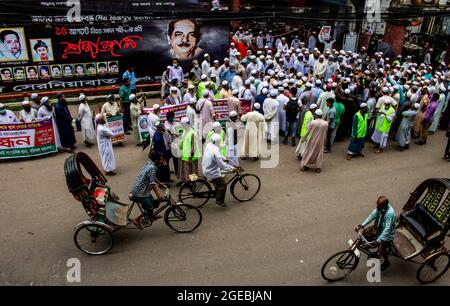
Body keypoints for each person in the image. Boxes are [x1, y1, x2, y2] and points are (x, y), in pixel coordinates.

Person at [355, 196, 397, 271]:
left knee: (381, 249)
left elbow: (387, 229)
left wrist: (378, 240)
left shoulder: (390, 214)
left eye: (379, 206)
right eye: (377, 204)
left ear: (384, 205)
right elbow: (372, 215)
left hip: (387, 234)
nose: (377, 207)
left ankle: (386, 262)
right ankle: (369, 245)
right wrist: (362, 225)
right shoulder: (380, 208)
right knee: (366, 231)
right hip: (379, 227)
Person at [130, 150, 167, 229]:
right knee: (150, 207)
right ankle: (136, 220)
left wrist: (159, 183)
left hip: (142, 190)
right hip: (140, 193)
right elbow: (152, 184)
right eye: (161, 159)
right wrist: (159, 195)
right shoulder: (153, 168)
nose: (162, 161)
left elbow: (152, 177)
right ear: (156, 160)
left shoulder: (149, 163)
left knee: (154, 203)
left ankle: (151, 216)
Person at [202, 133, 234, 207]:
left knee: (218, 182)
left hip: (206, 167)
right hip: (211, 171)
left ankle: (217, 192)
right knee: (223, 185)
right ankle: (219, 200)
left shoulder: (209, 145)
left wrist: (224, 158)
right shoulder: (215, 151)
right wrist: (231, 168)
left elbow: (219, 156)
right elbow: (221, 165)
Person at [179, 117, 201, 181]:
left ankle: (193, 184)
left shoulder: (192, 133)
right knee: (187, 170)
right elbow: (183, 141)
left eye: (182, 125)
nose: (182, 126)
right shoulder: (185, 131)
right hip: (186, 155)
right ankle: (188, 182)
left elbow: (193, 147)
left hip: (191, 156)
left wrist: (190, 158)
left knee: (193, 171)